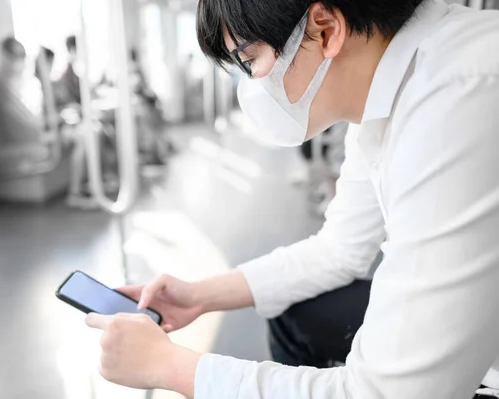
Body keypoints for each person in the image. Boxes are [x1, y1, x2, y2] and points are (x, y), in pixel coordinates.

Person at [85, 1, 499, 398]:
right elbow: (340, 250)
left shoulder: (460, 97)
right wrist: (198, 295)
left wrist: (170, 367)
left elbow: (389, 394)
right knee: (292, 313)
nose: (252, 87)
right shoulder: (383, 95)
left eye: (251, 61)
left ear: (325, 29)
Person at [0, 38, 53, 174]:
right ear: (4, 57)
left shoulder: (22, 84)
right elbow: (18, 124)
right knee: (47, 149)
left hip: (26, 139)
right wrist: (42, 130)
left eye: (21, 57)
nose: (18, 62)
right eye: (14, 57)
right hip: (11, 146)